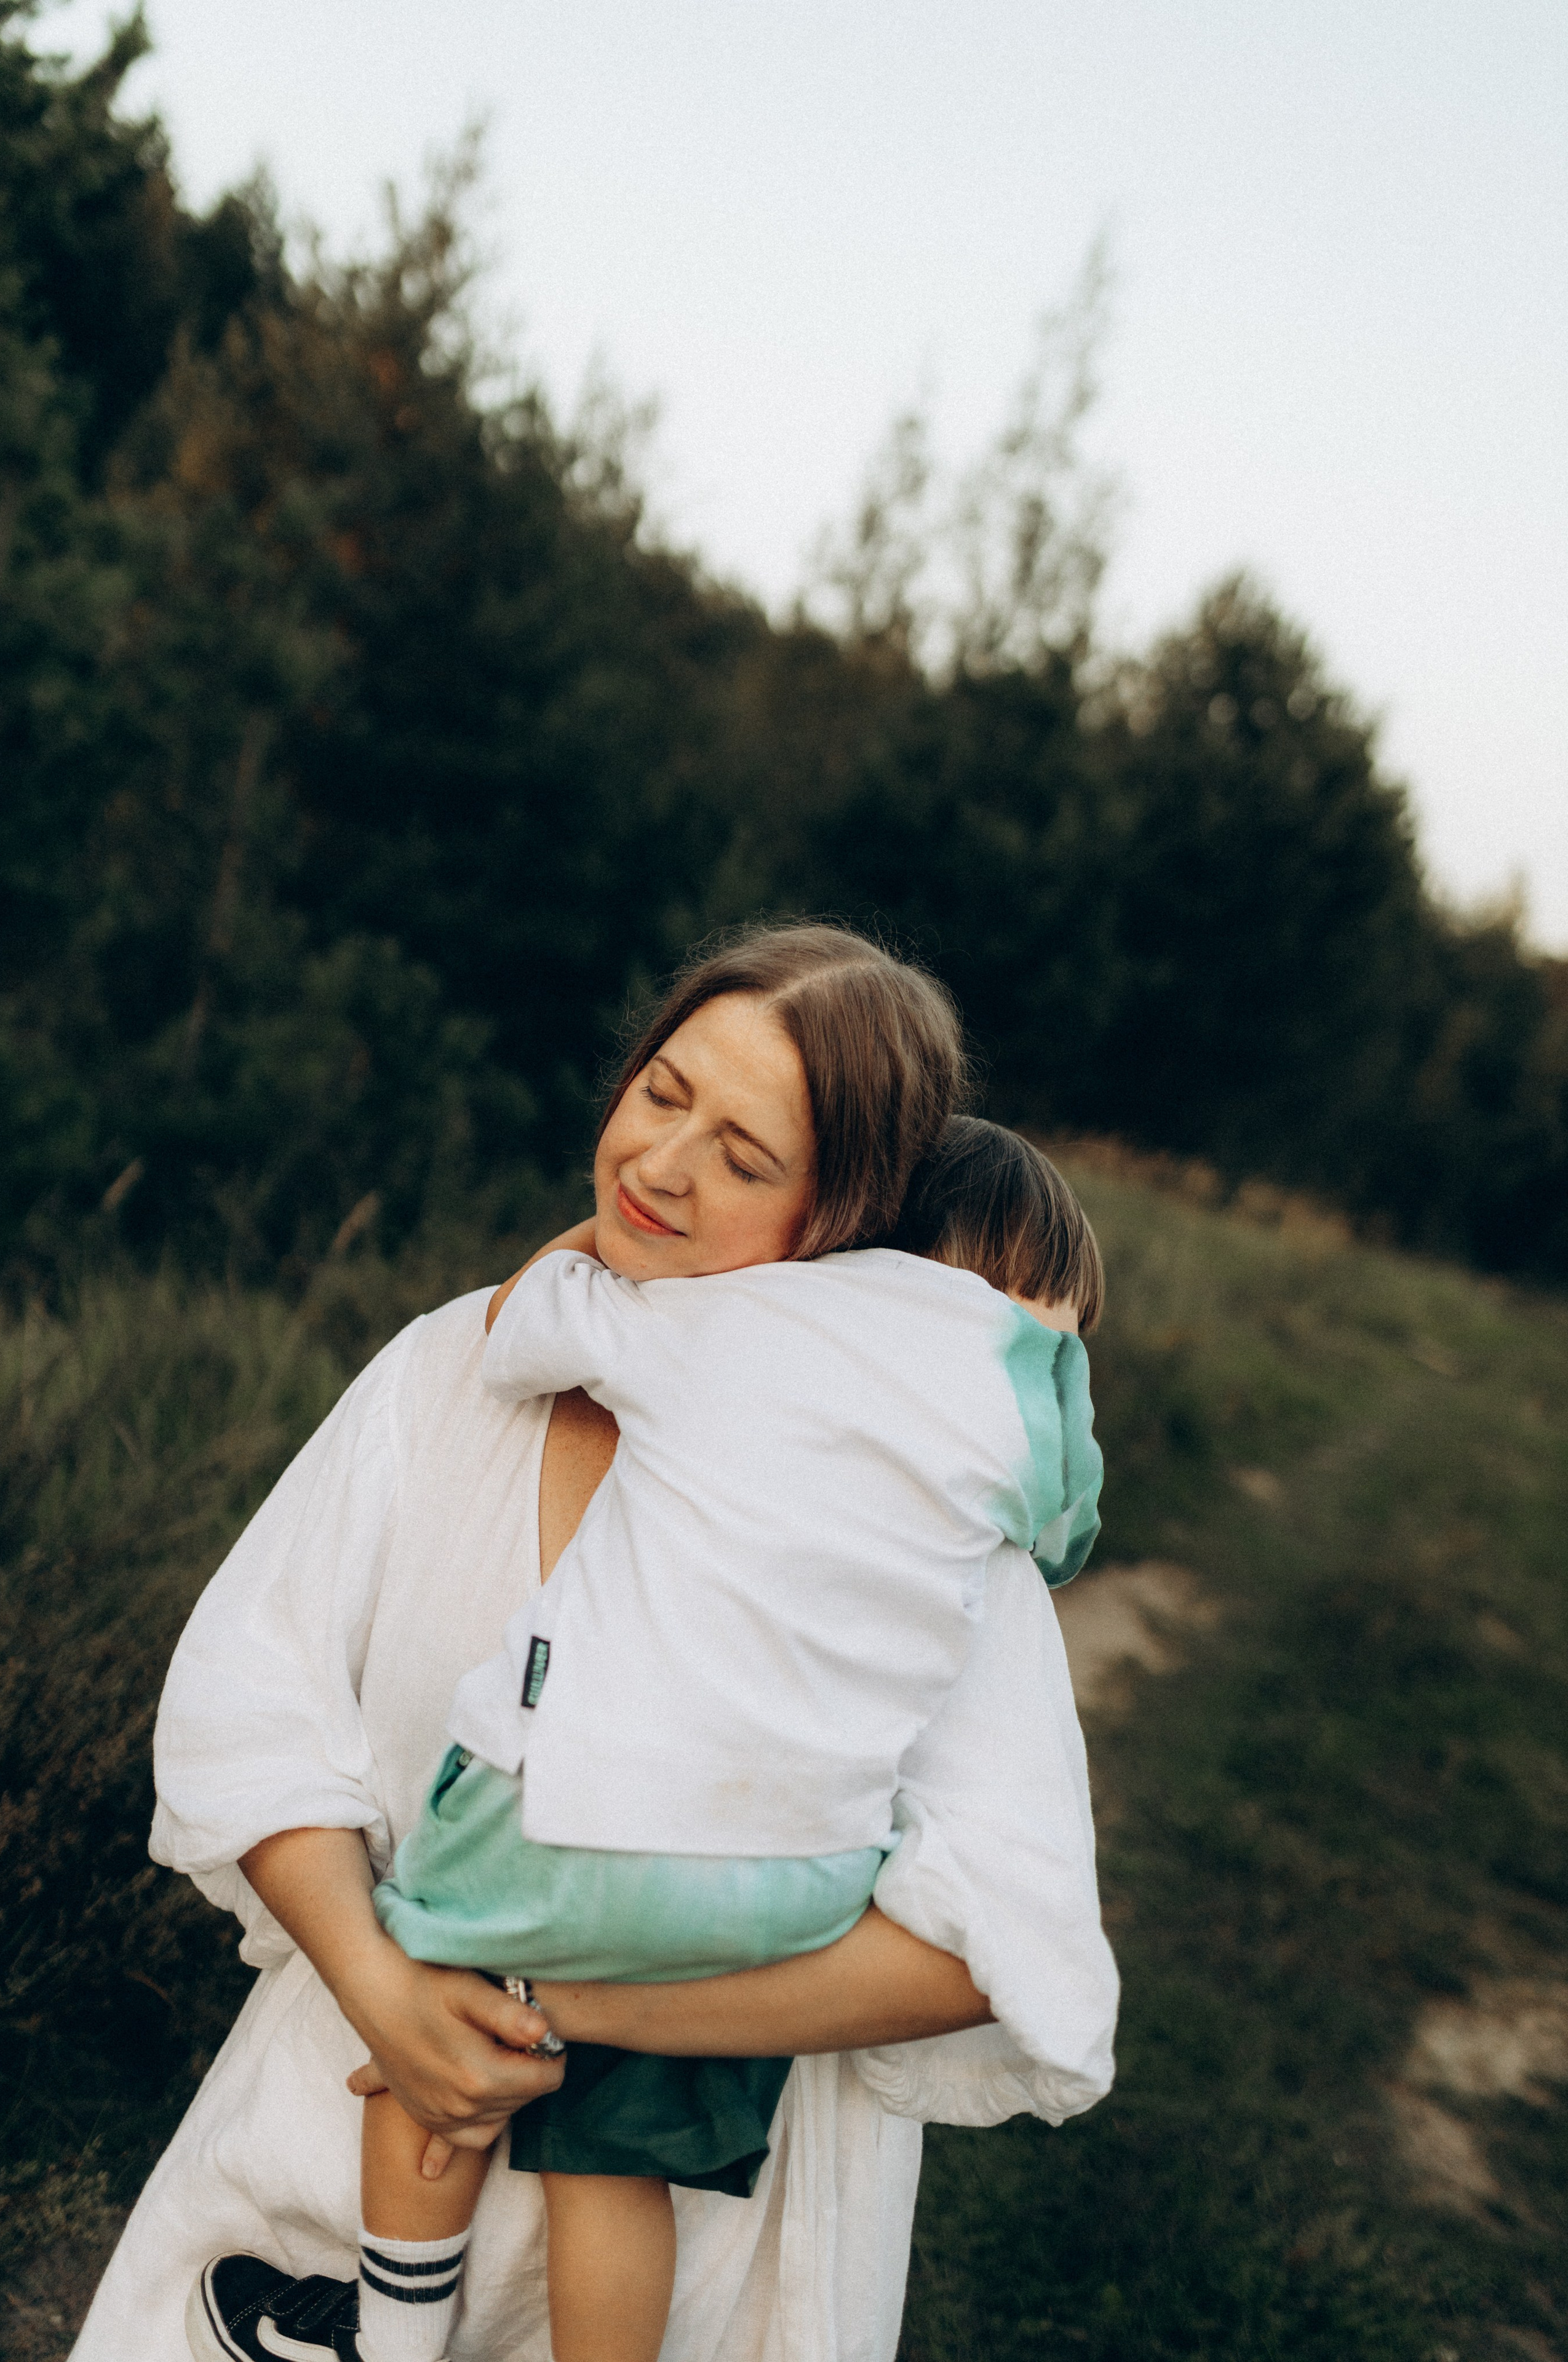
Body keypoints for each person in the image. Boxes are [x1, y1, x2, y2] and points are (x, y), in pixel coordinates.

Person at [73, 925, 1118, 2362]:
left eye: (745, 1158)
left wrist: (555, 2003)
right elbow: (251, 1703)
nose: (661, 1164)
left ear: (844, 1223)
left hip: (699, 2254)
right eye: (661, 1090)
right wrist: (387, 1989)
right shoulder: (454, 1365)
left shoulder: (918, 1528)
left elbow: (994, 1939)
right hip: (347, 2143)